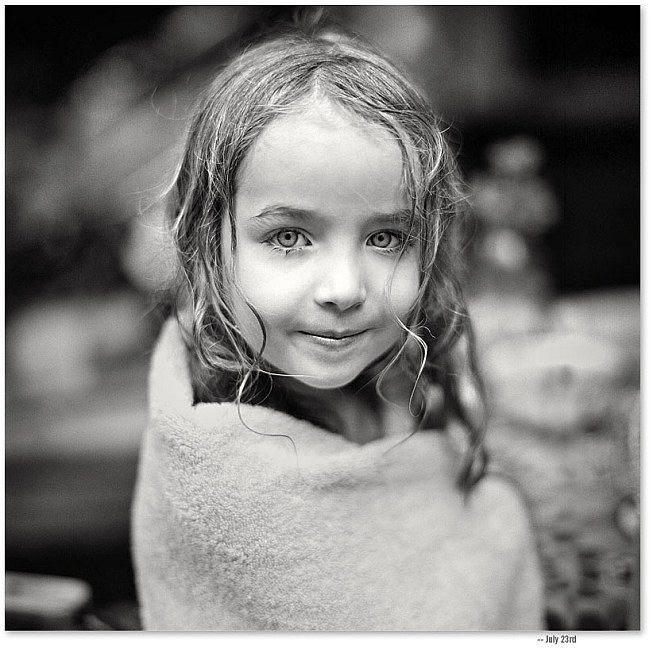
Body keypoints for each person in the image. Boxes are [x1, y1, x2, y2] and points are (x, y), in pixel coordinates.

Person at [131, 27, 544, 631]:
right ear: (205, 245)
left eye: (387, 238)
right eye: (288, 237)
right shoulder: (216, 464)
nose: (345, 289)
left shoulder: (407, 380)